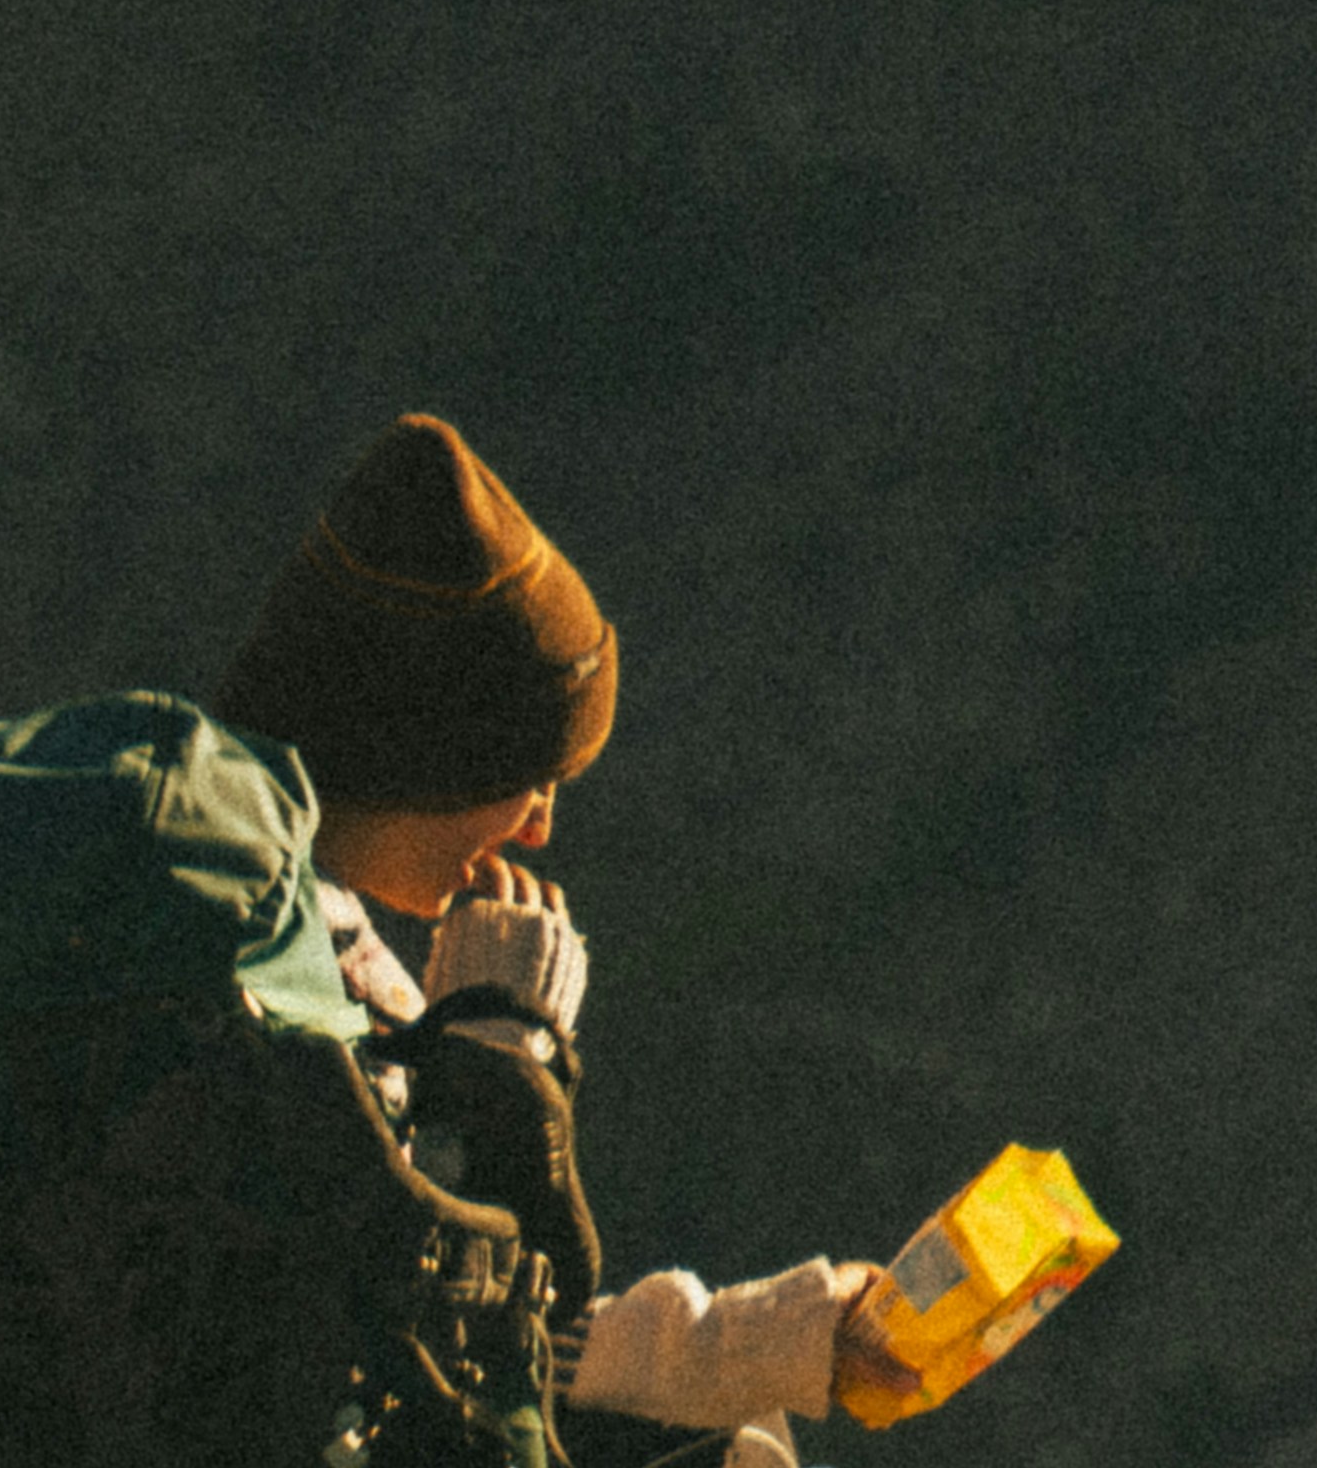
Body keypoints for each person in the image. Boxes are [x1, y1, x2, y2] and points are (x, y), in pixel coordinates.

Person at [215, 416, 897, 1463]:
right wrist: (496, 1059)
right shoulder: (242, 987)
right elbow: (443, 1377)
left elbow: (499, 1339)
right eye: (525, 778)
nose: (539, 827)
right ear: (424, 759)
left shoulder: (302, 933)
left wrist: (781, 1342)